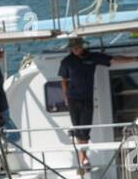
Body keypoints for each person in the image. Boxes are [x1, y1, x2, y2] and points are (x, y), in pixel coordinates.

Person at [57, 36, 133, 171]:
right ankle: (84, 158)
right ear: (70, 48)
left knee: (85, 130)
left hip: (87, 98)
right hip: (73, 99)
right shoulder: (66, 62)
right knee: (79, 129)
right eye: (73, 47)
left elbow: (113, 59)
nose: (76, 49)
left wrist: (134, 59)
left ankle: (83, 156)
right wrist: (65, 97)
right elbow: (64, 80)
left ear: (83, 46)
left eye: (78, 46)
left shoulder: (92, 57)